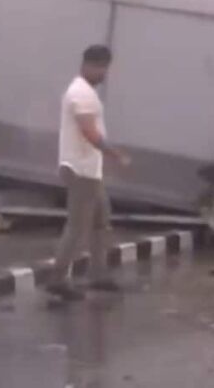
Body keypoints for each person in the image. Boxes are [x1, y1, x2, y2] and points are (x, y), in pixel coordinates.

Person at [46, 45, 130, 301]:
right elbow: (89, 132)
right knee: (77, 226)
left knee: (100, 219)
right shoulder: (81, 93)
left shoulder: (85, 92)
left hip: (88, 169)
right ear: (89, 65)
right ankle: (57, 278)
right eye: (101, 67)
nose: (103, 73)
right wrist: (115, 154)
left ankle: (98, 273)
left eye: (105, 68)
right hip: (80, 168)